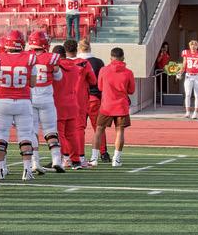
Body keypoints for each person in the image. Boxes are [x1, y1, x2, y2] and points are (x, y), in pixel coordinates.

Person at [0, 31, 37, 182]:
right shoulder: (30, 58)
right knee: (25, 135)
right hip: (23, 101)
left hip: (2, 101)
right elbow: (32, 83)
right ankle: (27, 170)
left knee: (1, 136)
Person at [26, 30, 64, 174]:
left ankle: (35, 162)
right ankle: (56, 160)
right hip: (46, 98)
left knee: (33, 131)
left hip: (30, 98)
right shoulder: (52, 57)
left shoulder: (25, 57)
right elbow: (58, 77)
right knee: (50, 129)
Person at [91, 47, 135, 168]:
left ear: (111, 58)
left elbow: (100, 87)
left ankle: (94, 158)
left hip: (106, 105)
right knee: (120, 131)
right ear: (123, 57)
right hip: (121, 106)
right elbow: (131, 90)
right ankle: (116, 159)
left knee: (99, 130)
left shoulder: (103, 70)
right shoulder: (128, 72)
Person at [55, 40, 94, 169]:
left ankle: (64, 158)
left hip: (59, 101)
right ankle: (79, 159)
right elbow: (93, 80)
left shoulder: (57, 64)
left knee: (61, 131)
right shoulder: (83, 63)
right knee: (78, 130)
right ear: (76, 49)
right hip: (79, 100)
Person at [180, 38, 198, 119]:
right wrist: (180, 72)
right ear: (189, 46)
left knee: (197, 95)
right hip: (188, 76)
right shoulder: (186, 53)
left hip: (197, 76)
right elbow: (184, 64)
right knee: (188, 94)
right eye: (192, 45)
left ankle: (195, 112)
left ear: (197, 46)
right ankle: (187, 112)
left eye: (195, 45)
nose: (193, 47)